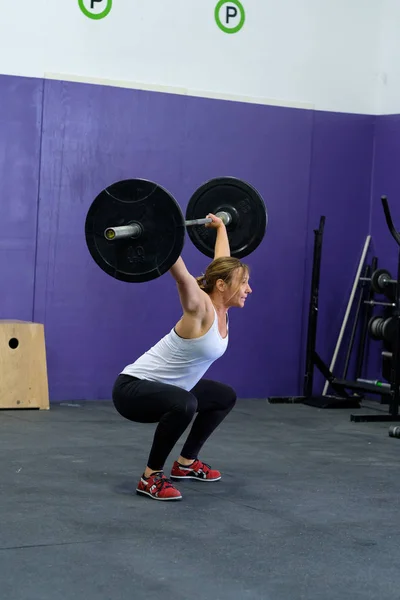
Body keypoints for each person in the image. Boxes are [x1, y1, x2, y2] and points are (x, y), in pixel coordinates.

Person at [112, 213, 252, 501]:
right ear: (223, 287)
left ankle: (186, 463)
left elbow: (221, 264)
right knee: (186, 403)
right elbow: (183, 277)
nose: (249, 289)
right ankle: (150, 477)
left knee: (223, 396)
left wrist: (221, 228)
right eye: (244, 283)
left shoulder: (221, 306)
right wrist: (161, 236)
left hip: (170, 389)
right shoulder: (200, 308)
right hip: (132, 390)